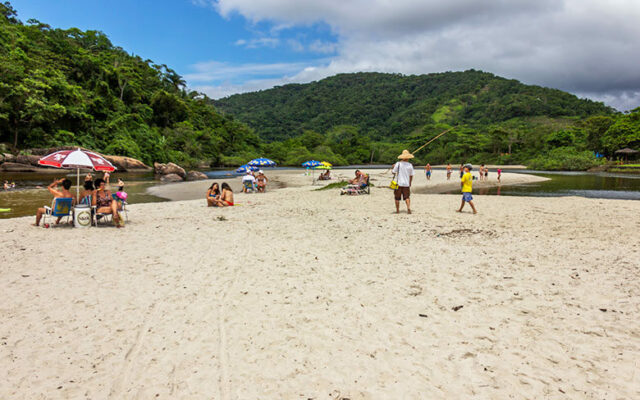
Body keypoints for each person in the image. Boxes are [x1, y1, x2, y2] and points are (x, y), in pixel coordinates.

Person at [393, 150, 415, 214]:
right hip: (406, 183)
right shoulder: (410, 165)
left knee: (397, 198)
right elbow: (411, 175)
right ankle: (408, 208)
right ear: (408, 158)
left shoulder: (398, 164)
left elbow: (393, 172)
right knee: (407, 197)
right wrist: (410, 182)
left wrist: (393, 167)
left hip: (398, 183)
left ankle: (397, 210)